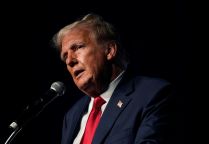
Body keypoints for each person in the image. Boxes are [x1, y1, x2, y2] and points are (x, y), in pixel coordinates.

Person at [51, 13, 176, 144]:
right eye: (65, 56)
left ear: (109, 51)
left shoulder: (152, 94)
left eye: (78, 47)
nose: (70, 61)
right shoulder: (72, 116)